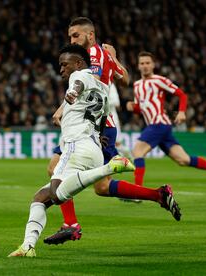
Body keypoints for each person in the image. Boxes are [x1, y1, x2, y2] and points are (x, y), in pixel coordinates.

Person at [8, 44, 181, 257]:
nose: (61, 69)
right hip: (92, 147)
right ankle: (28, 247)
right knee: (40, 198)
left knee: (57, 193)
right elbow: (102, 116)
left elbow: (77, 83)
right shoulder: (102, 87)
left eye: (64, 65)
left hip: (76, 146)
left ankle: (109, 171)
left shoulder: (79, 74)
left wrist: (72, 93)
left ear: (79, 63)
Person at [44, 16, 134, 245]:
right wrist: (114, 59)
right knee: (57, 169)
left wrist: (62, 107)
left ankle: (157, 195)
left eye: (76, 36)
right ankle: (70, 225)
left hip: (96, 126)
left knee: (101, 186)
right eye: (70, 37)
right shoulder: (98, 55)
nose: (72, 40)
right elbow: (125, 80)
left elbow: (87, 85)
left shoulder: (93, 56)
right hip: (83, 124)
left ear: (90, 35)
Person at [127, 51, 206, 188]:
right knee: (184, 160)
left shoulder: (160, 81)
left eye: (148, 63)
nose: (145, 66)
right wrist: (133, 107)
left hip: (159, 124)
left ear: (153, 65)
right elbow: (142, 108)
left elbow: (182, 95)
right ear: (138, 66)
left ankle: (137, 193)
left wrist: (181, 112)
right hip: (157, 126)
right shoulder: (137, 85)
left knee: (137, 152)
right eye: (142, 63)